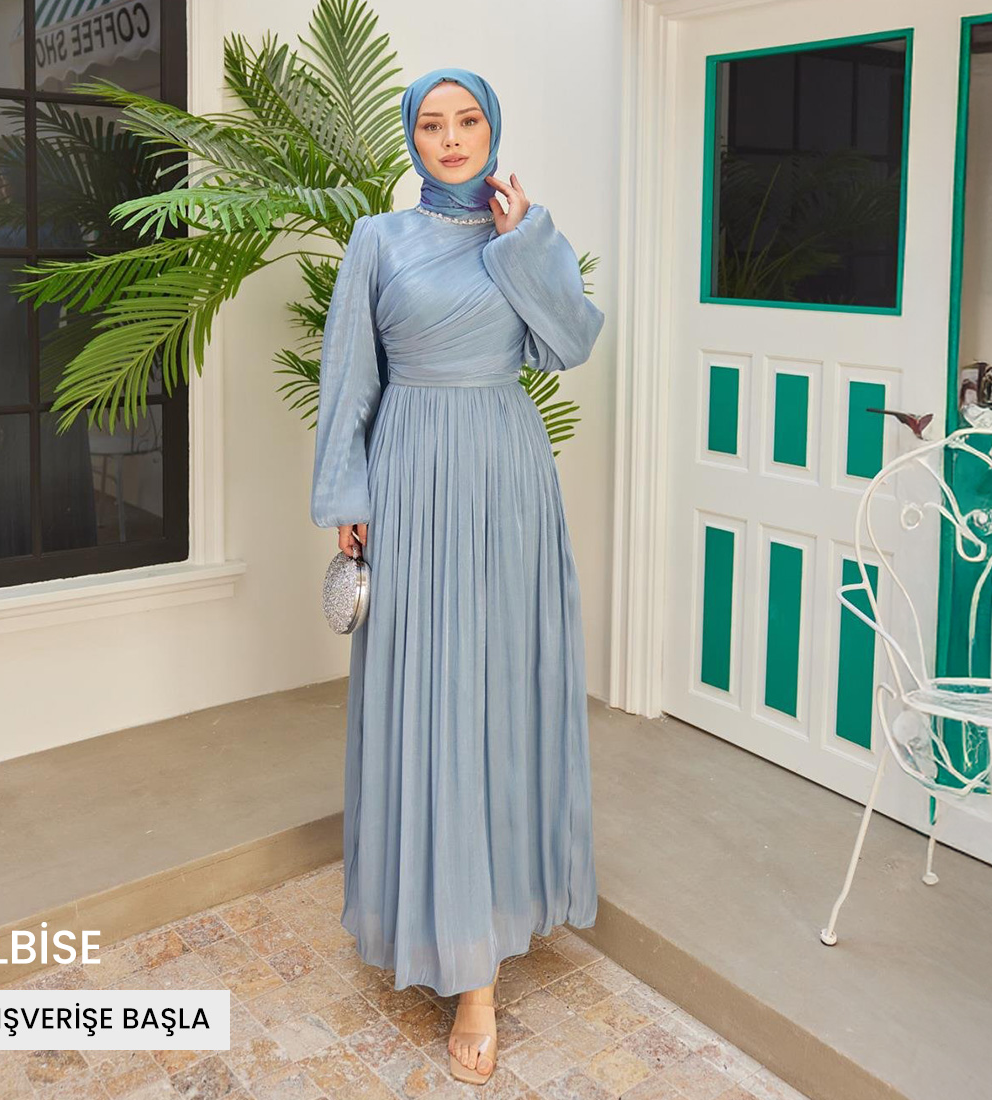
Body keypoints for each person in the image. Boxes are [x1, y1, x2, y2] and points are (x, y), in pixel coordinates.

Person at [310, 66, 604, 1084]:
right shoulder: (379, 240)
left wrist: (525, 243)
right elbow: (348, 373)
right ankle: (442, 933)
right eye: (431, 123)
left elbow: (568, 345)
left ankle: (486, 948)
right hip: (410, 478)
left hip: (506, 480)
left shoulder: (524, 236)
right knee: (427, 695)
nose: (449, 138)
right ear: (412, 137)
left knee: (498, 692)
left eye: (466, 120)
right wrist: (347, 491)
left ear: (491, 130)